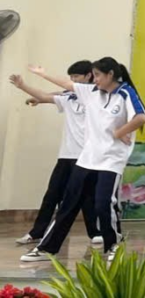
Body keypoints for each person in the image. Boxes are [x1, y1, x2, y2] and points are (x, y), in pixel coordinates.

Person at [21, 58, 145, 262]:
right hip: (87, 158)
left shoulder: (125, 92)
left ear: (110, 74)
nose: (95, 79)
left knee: (103, 203)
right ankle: (47, 248)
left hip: (111, 160)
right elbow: (66, 84)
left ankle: (113, 245)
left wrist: (119, 132)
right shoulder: (90, 92)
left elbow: (140, 117)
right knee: (68, 204)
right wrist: (42, 74)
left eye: (98, 75)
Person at [9, 61, 101, 246]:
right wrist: (22, 86)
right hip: (66, 155)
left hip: (87, 156)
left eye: (76, 77)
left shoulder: (96, 95)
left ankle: (96, 233)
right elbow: (46, 95)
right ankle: (36, 232)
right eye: (71, 77)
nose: (72, 80)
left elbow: (64, 89)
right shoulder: (69, 98)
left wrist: (43, 75)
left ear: (88, 76)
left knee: (86, 196)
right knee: (52, 195)